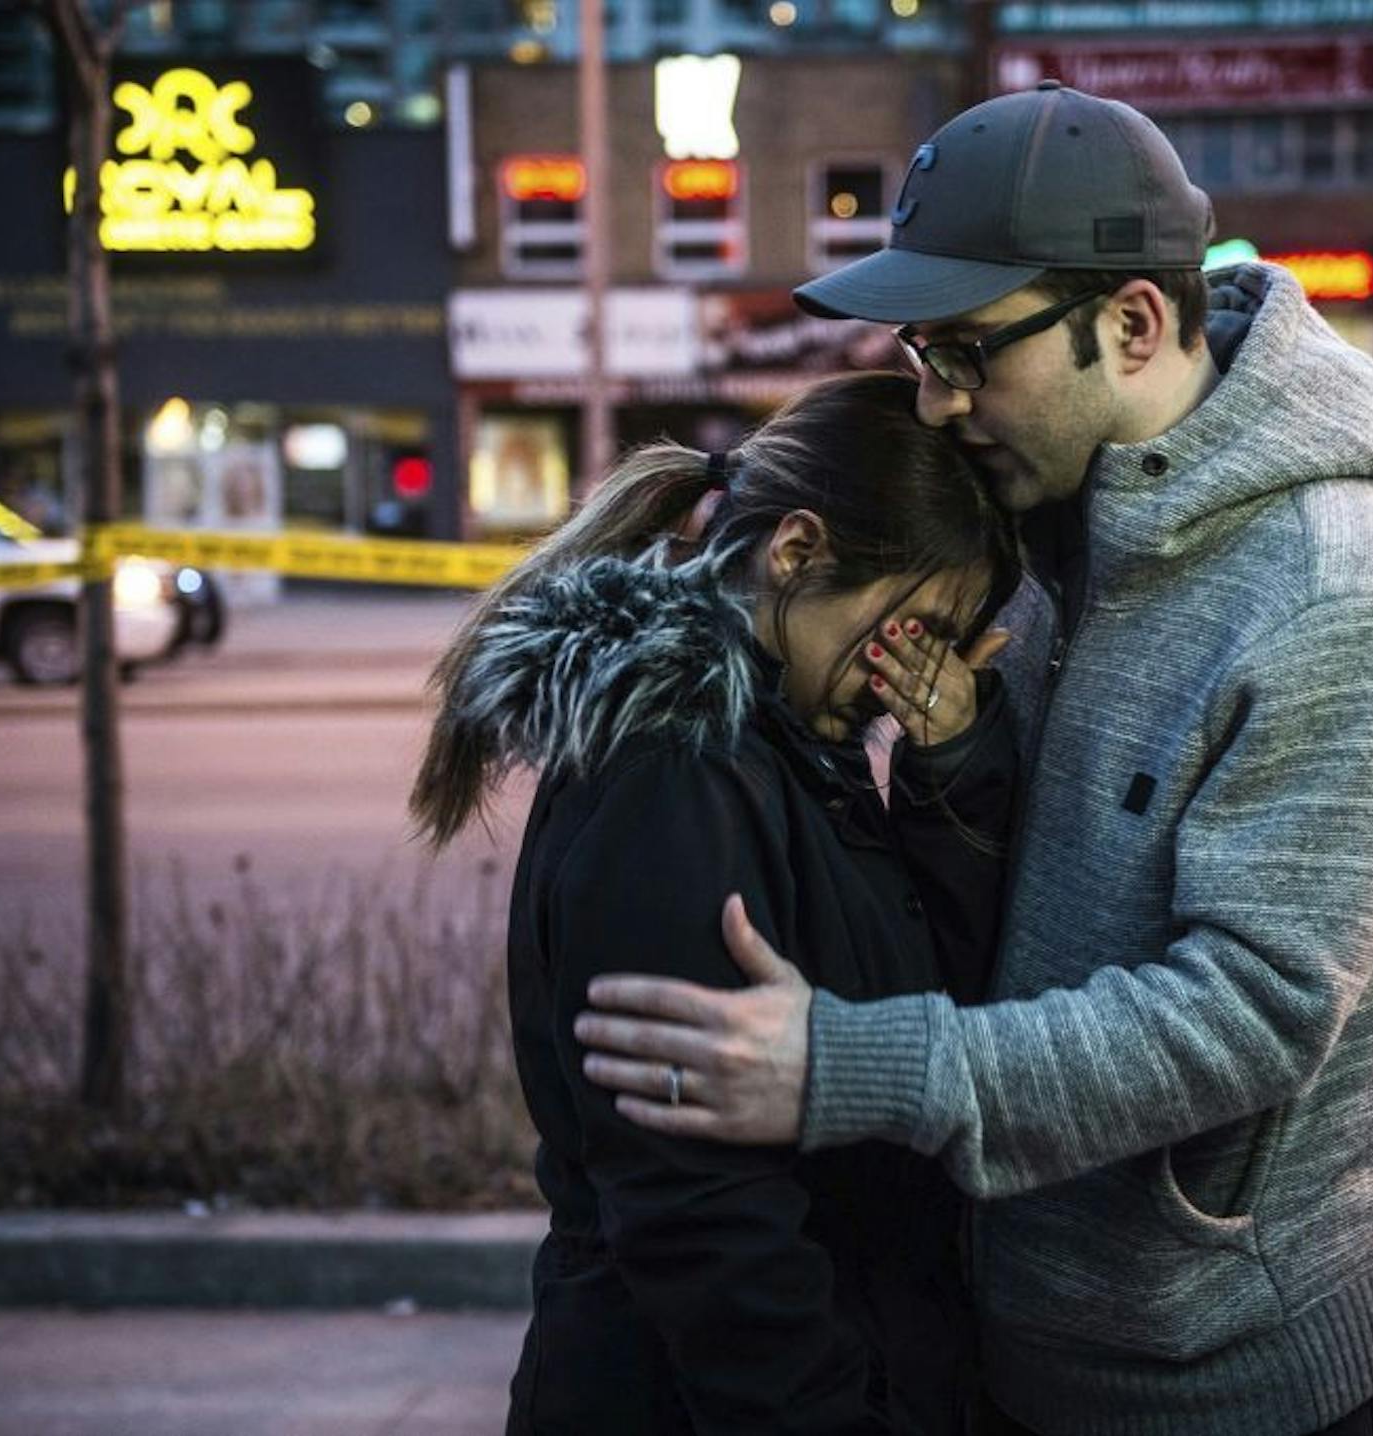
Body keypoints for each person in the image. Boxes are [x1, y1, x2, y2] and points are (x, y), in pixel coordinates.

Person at [573, 83, 1373, 1436]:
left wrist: (849, 1069)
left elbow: (1247, 1016)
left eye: (969, 352)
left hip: (1229, 1373)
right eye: (920, 353)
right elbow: (1056, 880)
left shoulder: (1341, 597)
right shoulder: (1058, 523)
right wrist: (964, 761)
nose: (935, 405)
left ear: (1134, 322)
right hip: (1024, 1341)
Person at [410, 372, 1022, 1434]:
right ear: (796, 552)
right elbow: (697, 1209)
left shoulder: (788, 751)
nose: (907, 671)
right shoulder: (675, 774)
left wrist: (952, 768)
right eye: (914, 622)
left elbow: (945, 991)